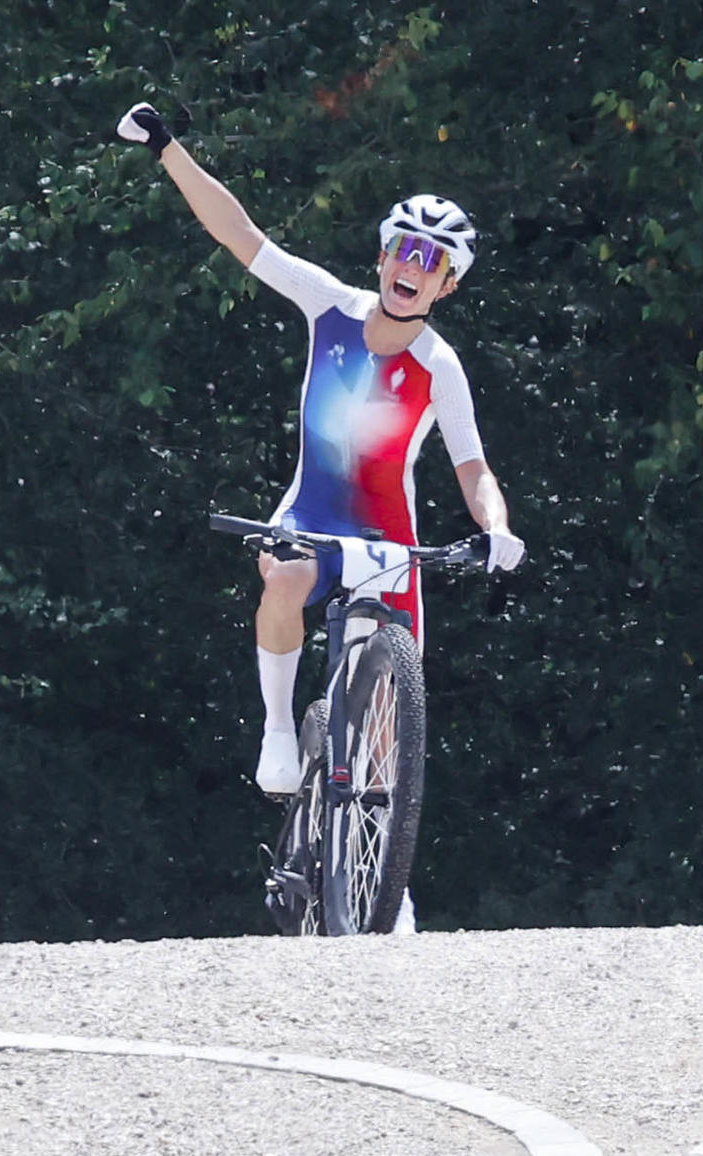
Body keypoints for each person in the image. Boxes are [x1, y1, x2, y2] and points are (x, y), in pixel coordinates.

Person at [116, 101, 523, 794]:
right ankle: (279, 727)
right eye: (404, 248)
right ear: (383, 255)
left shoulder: (439, 365)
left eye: (432, 260)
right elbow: (240, 236)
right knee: (283, 579)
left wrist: (498, 527)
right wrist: (165, 147)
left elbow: (473, 466)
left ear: (448, 284)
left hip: (389, 543)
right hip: (312, 515)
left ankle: (385, 898)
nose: (413, 266)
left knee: (393, 740)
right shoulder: (331, 304)